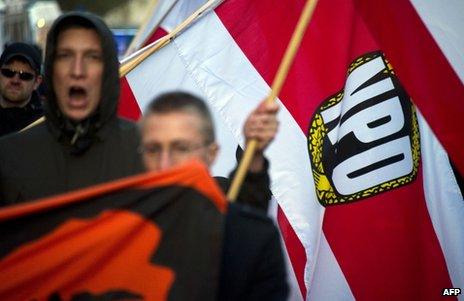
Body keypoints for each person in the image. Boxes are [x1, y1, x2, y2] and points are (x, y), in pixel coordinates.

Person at [139, 91, 288, 300]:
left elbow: (245, 203)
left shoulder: (256, 236)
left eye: (180, 148)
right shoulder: (114, 227)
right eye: (153, 149)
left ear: (212, 153)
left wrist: (252, 154)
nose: (165, 164)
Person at [0, 12, 144, 205]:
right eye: (65, 56)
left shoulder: (144, 150)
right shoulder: (10, 156)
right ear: (51, 68)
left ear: (108, 70)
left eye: (92, 56)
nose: (77, 70)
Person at [0, 42, 43, 136]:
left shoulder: (45, 126)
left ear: (37, 82)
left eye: (25, 76)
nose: (15, 80)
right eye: (8, 72)